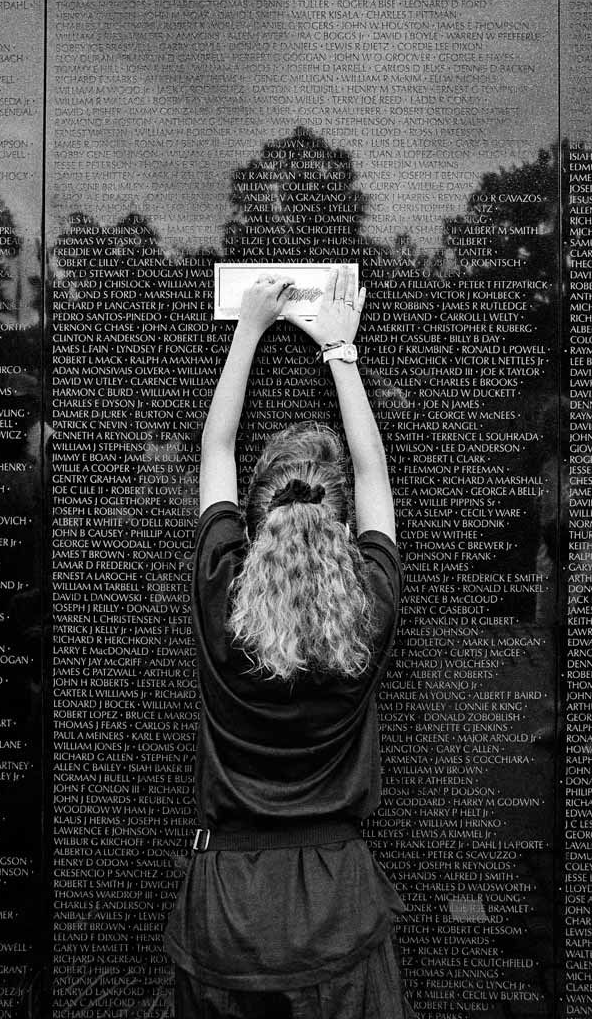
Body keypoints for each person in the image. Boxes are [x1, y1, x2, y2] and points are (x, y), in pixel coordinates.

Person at [164, 266, 414, 1018]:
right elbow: (373, 468)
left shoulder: (221, 598)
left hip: (225, 913)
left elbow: (217, 446)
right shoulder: (368, 606)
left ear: (254, 511)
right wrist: (340, 350)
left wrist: (248, 328)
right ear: (338, 521)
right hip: (336, 906)